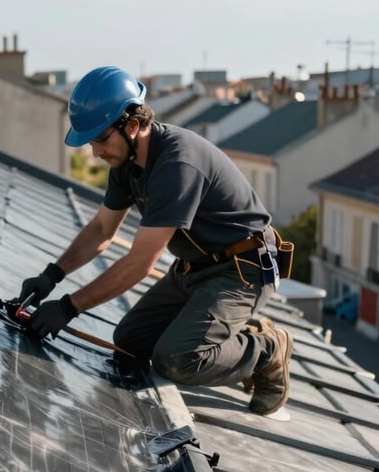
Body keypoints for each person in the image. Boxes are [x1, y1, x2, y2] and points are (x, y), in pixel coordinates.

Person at [16, 65, 292, 416]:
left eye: (100, 139)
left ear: (132, 125)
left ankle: (267, 350)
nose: (96, 153)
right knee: (130, 343)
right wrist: (52, 275)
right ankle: (228, 333)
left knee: (176, 360)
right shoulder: (126, 164)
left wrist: (68, 308)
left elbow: (140, 262)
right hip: (193, 268)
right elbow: (102, 230)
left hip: (242, 270)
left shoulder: (177, 164)